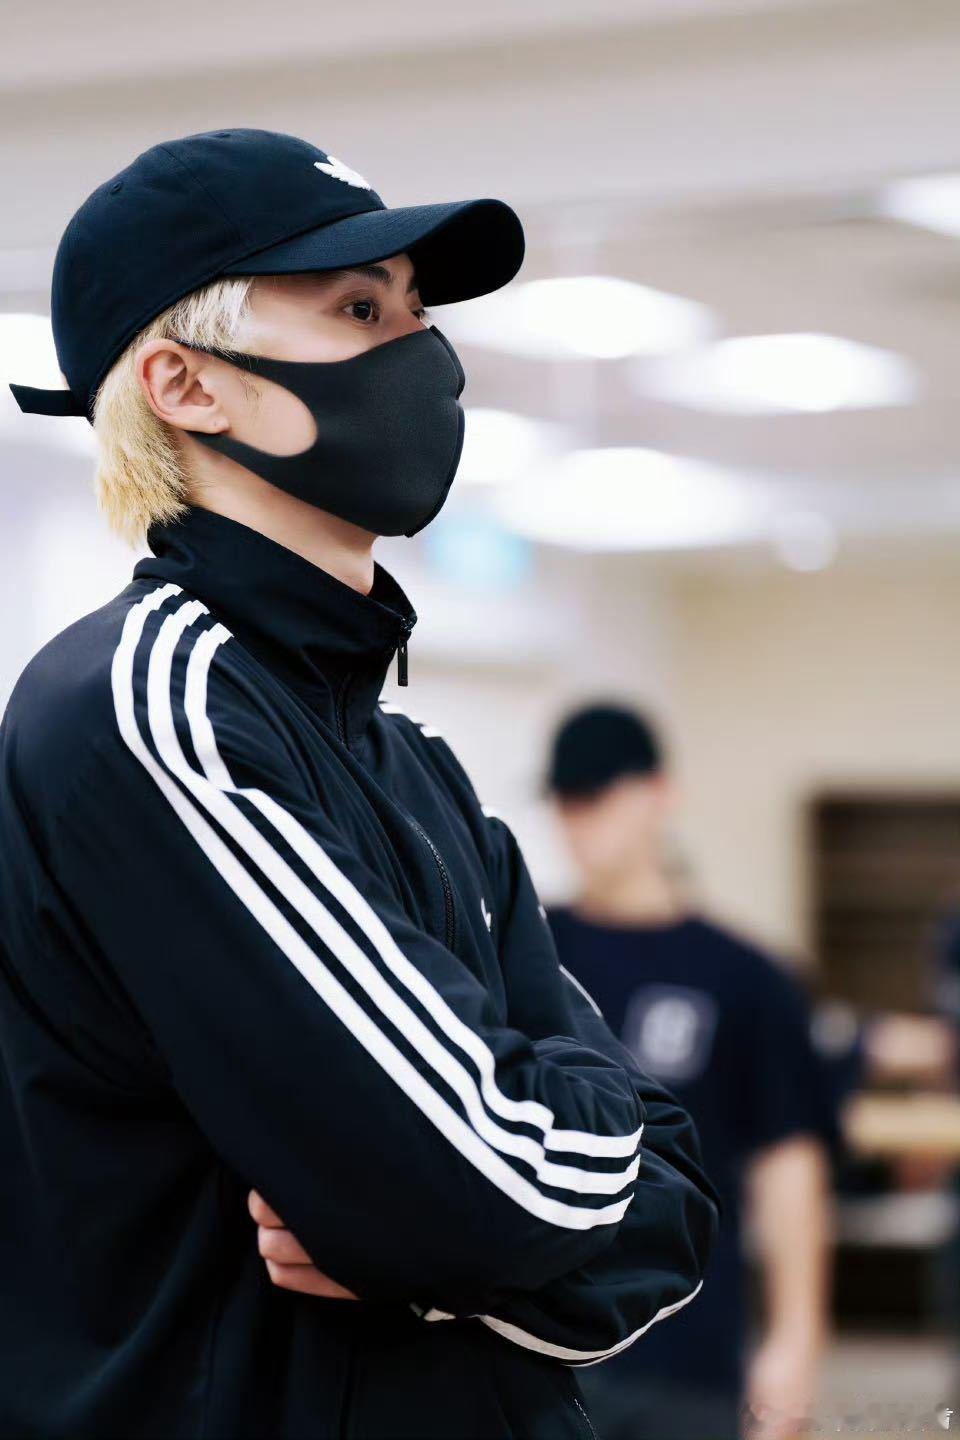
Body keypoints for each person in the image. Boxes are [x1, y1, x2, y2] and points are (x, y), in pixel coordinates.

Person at [0, 130, 719, 1440]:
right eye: (358, 310)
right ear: (186, 384)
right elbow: (480, 1185)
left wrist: (457, 1253)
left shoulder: (408, 760)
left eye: (417, 308)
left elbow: (672, 1185)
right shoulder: (152, 709)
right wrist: (487, 1197)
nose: (428, 353)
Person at [545, 703, 832, 1440]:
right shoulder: (528, 954)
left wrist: (795, 1338)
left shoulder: (746, 976)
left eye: (599, 796)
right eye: (567, 801)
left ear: (658, 794)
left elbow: (788, 1163)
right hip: (538, 1344)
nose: (580, 822)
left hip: (687, 1353)